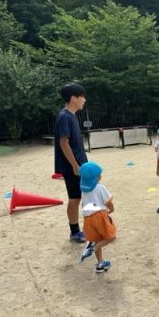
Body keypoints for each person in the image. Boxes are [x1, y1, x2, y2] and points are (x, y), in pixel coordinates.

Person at [54, 83, 88, 243]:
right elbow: (63, 142)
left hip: (80, 165)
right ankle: (75, 232)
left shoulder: (71, 116)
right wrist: (75, 165)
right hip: (72, 167)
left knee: (81, 196)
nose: (84, 100)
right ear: (73, 98)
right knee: (75, 198)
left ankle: (91, 226)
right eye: (82, 96)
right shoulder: (64, 116)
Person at [79, 162, 116, 272]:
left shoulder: (84, 190)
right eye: (99, 174)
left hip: (87, 218)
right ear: (96, 177)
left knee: (96, 240)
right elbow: (108, 202)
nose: (101, 176)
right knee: (111, 237)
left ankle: (100, 264)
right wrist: (111, 210)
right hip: (98, 216)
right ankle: (91, 248)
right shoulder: (100, 187)